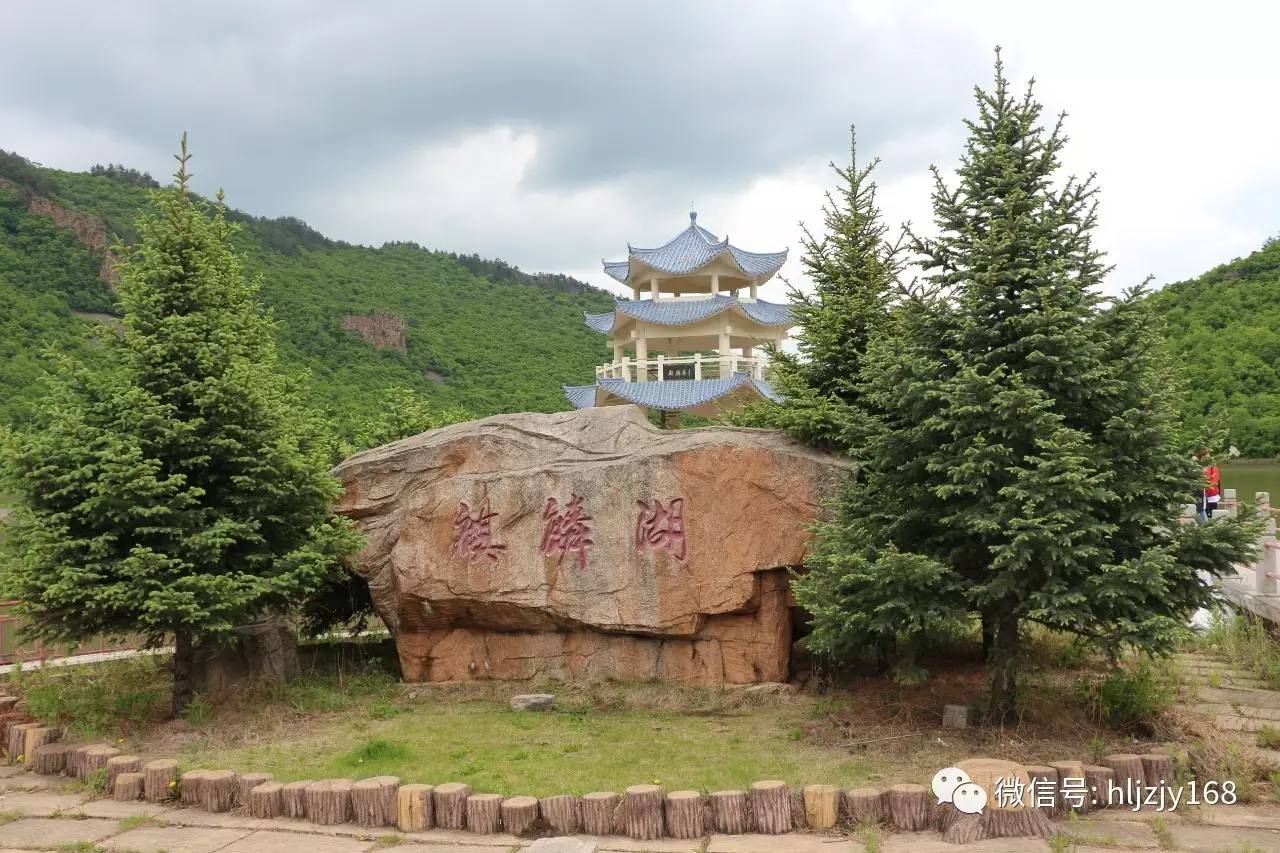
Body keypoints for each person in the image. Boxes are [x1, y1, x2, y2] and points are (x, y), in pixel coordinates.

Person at [1195, 449, 1222, 519]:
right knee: (1202, 514)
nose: (1208, 457)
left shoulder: (1212, 467)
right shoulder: (1197, 466)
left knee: (1212, 515)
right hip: (1201, 495)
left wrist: (1206, 486)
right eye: (1206, 456)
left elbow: (1214, 481)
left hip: (1211, 494)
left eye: (1208, 455)